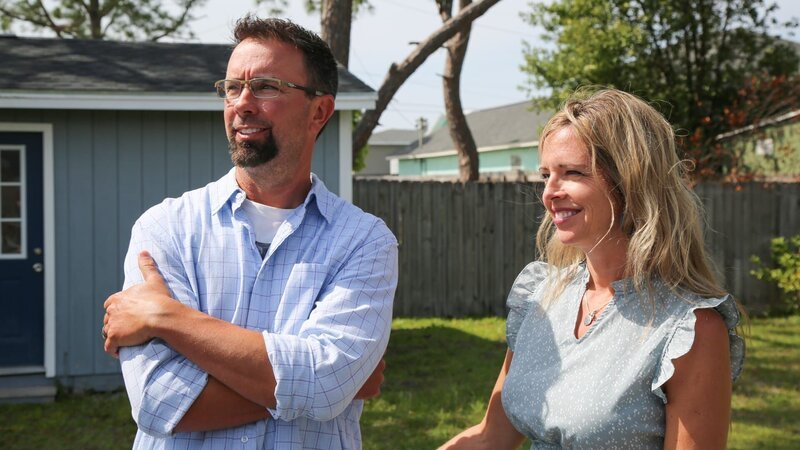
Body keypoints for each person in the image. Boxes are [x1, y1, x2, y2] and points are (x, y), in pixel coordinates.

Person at [101, 15, 398, 449]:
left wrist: (166, 317)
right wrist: (326, 388)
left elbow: (326, 381)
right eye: (232, 87)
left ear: (319, 111)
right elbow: (158, 401)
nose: (242, 103)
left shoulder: (363, 241)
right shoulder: (165, 228)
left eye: (265, 87)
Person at [440, 88, 744, 449]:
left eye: (572, 173)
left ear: (631, 182)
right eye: (546, 175)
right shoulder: (542, 295)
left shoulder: (689, 329)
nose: (549, 193)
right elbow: (491, 438)